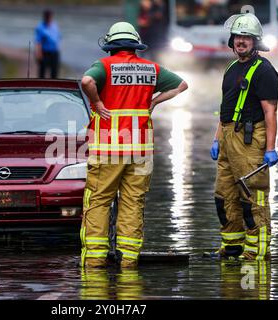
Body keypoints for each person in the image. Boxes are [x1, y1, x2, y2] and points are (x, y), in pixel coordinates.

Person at [80, 22, 188, 269]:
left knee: (99, 201)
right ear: (135, 45)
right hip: (140, 150)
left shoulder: (104, 66)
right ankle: (128, 260)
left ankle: (95, 261)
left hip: (108, 149)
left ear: (110, 46)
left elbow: (87, 81)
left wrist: (96, 102)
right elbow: (181, 85)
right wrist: (155, 101)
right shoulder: (150, 69)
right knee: (133, 201)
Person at [207, 13, 278, 261]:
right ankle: (232, 247)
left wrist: (270, 148)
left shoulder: (265, 71)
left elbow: (270, 112)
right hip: (228, 137)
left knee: (252, 197)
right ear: (232, 40)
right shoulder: (231, 67)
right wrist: (217, 139)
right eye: (238, 36)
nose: (241, 41)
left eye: (246, 38)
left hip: (250, 140)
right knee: (224, 195)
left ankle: (257, 252)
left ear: (255, 42)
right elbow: (225, 107)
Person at [34, 10, 61, 79]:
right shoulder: (40, 27)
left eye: (50, 17)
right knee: (42, 72)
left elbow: (58, 38)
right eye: (48, 17)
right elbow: (38, 42)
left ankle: (54, 86)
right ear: (45, 17)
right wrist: (38, 54)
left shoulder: (55, 25)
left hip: (54, 52)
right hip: (45, 52)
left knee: (54, 72)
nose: (49, 18)